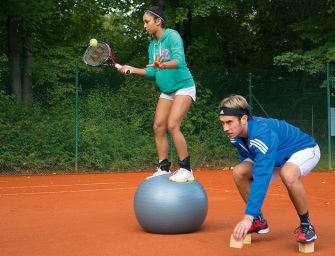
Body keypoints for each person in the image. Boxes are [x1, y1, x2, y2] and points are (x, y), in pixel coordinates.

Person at [218, 95, 320, 243]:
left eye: (229, 122)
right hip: (275, 156)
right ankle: (259, 222)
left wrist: (248, 216)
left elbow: (261, 176)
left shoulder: (261, 134)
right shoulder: (235, 135)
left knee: (288, 174)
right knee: (239, 172)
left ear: (244, 119)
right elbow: (246, 158)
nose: (225, 128)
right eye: (222, 123)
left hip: (302, 149)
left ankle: (307, 226)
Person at [118, 1, 195, 183]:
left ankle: (186, 169)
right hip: (167, 91)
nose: (144, 26)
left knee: (172, 125)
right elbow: (153, 70)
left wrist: (164, 65)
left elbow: (179, 61)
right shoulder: (152, 46)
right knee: (158, 126)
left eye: (147, 22)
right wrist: (134, 69)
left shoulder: (172, 36)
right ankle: (164, 168)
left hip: (183, 86)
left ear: (158, 21)